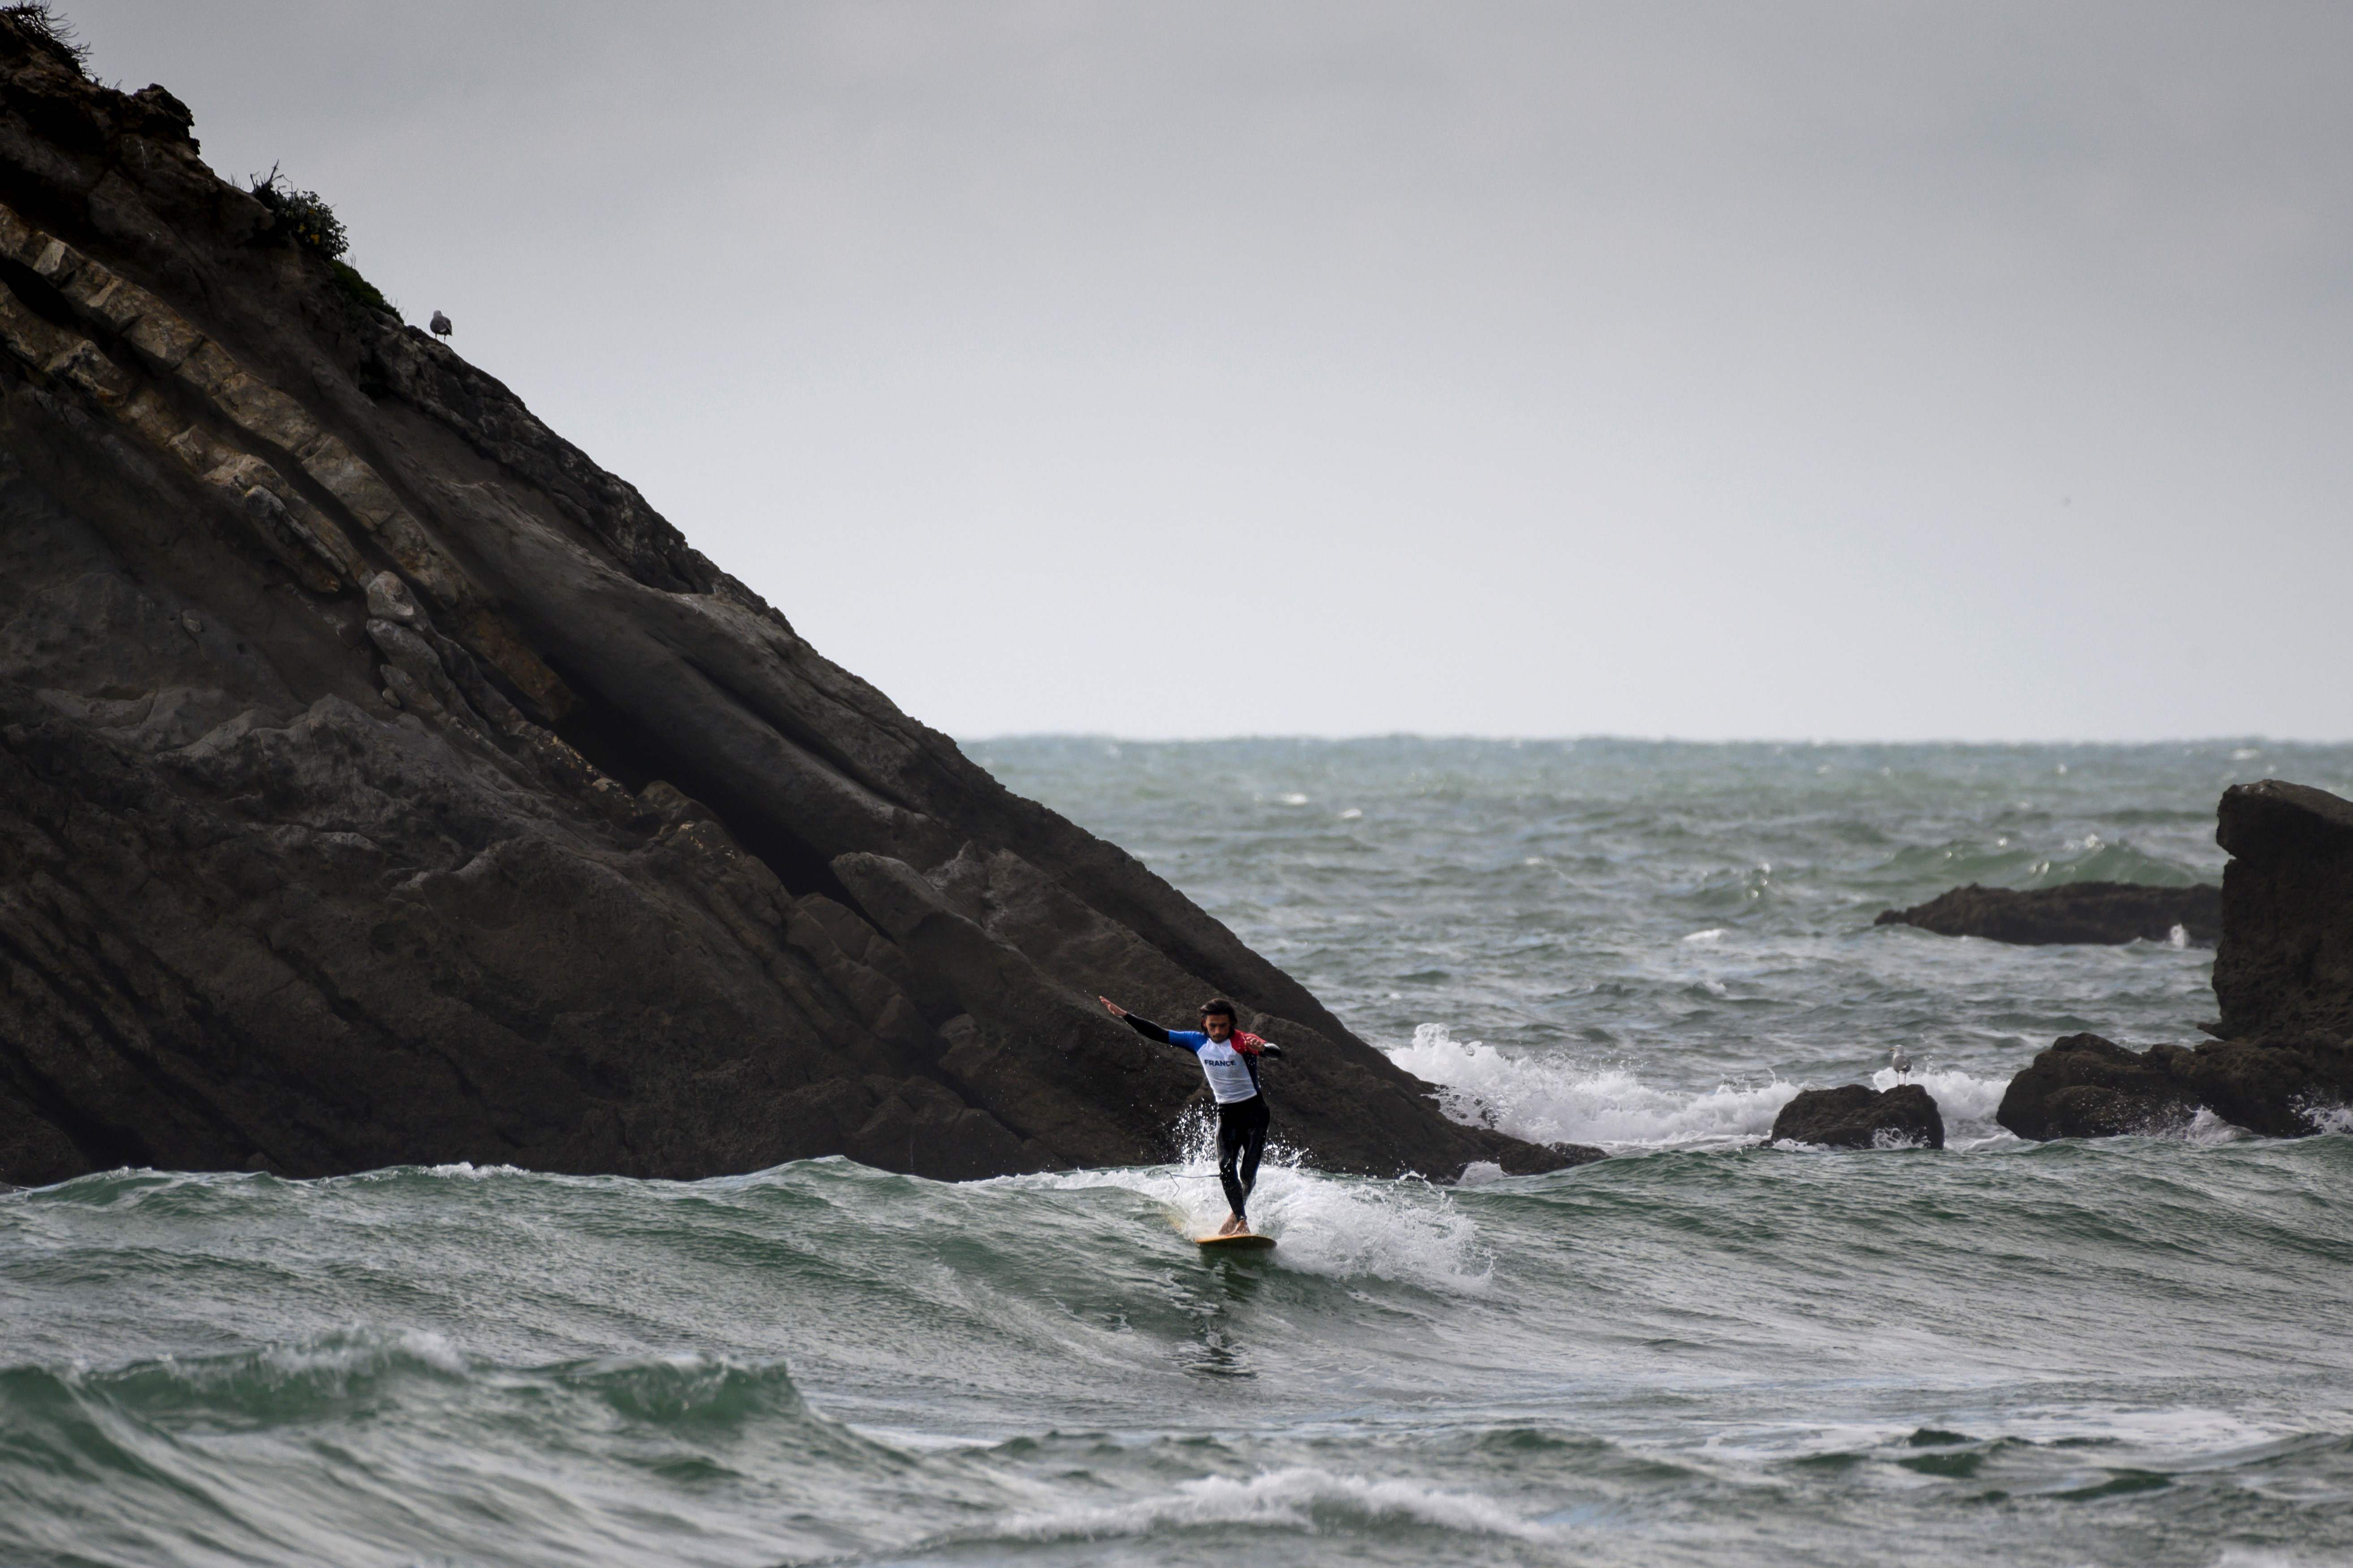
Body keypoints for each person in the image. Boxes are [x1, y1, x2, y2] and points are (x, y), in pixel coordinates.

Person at [1098, 995, 1283, 1236]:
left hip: (1255, 1114)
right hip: (1226, 1114)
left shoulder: (1243, 1042)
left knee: (1247, 1175)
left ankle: (1236, 1216)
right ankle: (1241, 1221)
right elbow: (1160, 1034)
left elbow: (1275, 1052)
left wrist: (1264, 1049)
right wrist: (1126, 1017)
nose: (1218, 1031)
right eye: (1213, 1025)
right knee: (1226, 1169)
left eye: (1223, 1026)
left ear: (1232, 1024)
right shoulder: (1196, 1042)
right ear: (1204, 1023)